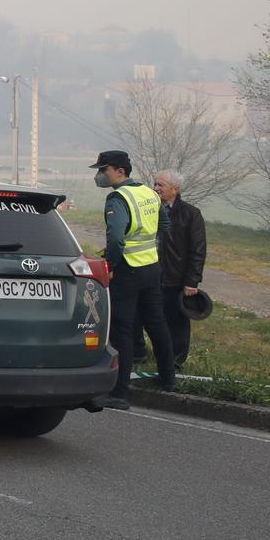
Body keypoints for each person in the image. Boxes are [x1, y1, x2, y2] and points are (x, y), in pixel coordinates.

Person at [89, 149, 175, 409]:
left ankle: (119, 393)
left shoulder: (118, 197)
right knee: (156, 323)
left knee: (122, 330)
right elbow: (165, 224)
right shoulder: (149, 192)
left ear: (119, 171)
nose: (99, 175)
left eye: (103, 170)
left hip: (127, 269)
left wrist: (111, 264)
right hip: (151, 266)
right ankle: (169, 379)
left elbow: (115, 238)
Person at [146, 169, 206, 370]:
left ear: (175, 189)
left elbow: (197, 250)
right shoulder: (149, 209)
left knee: (177, 321)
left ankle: (176, 362)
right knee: (154, 319)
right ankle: (157, 357)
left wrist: (192, 281)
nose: (156, 188)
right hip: (151, 275)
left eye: (161, 185)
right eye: (155, 184)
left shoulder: (190, 214)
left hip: (176, 278)